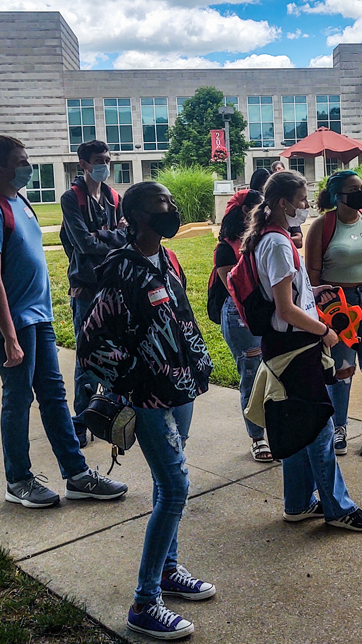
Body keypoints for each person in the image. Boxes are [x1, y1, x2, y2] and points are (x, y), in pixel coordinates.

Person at [78, 181, 215, 640]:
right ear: (136, 214)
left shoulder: (167, 259)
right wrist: (135, 383)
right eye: (162, 204)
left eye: (172, 203)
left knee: (165, 485)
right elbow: (91, 343)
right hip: (150, 399)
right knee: (176, 487)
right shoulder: (122, 269)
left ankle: (168, 572)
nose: (171, 210)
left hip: (181, 391)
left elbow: (181, 317)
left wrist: (198, 365)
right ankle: (144, 602)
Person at [241, 170, 362, 531]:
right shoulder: (279, 244)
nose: (306, 206)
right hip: (296, 348)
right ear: (283, 202)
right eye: (302, 200)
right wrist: (325, 330)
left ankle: (299, 502)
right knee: (318, 425)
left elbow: (282, 298)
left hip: (283, 346)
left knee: (302, 424)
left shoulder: (267, 238)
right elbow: (285, 310)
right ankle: (338, 508)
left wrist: (313, 294)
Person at [0, 135, 127, 509]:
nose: (28, 166)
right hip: (15, 322)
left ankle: (77, 474)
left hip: (39, 316)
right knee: (18, 399)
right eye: (21, 160)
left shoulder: (20, 202)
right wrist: (8, 335)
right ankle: (18, 480)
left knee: (54, 397)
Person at [305, 170, 362, 456]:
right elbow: (312, 273)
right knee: (341, 370)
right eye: (352, 189)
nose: (359, 193)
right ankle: (338, 428)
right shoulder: (323, 226)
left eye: (360, 187)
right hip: (338, 305)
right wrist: (320, 312)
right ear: (337, 195)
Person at [60, 139, 127, 448]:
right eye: (99, 159)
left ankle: (109, 412)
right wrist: (112, 235)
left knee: (115, 352)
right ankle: (81, 420)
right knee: (87, 357)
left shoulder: (114, 197)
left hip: (112, 286)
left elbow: (126, 237)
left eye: (108, 159)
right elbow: (83, 244)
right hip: (86, 289)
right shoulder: (71, 199)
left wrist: (103, 236)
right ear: (83, 164)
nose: (105, 165)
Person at [215, 188, 273, 462]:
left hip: (268, 311)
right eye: (258, 207)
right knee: (251, 374)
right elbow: (234, 289)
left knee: (273, 373)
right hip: (241, 317)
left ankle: (274, 430)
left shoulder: (263, 238)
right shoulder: (226, 248)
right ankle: (257, 437)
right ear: (244, 211)